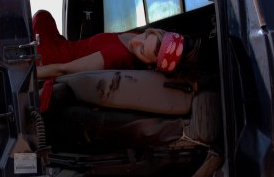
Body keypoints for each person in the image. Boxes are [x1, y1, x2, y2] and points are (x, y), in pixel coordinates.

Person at [32, 9, 199, 111]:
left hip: (53, 59)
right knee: (43, 16)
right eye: (146, 36)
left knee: (40, 17)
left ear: (149, 65)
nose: (136, 41)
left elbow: (62, 69)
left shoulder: (116, 56)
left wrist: (30, 73)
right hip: (65, 45)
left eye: (142, 50)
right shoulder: (137, 37)